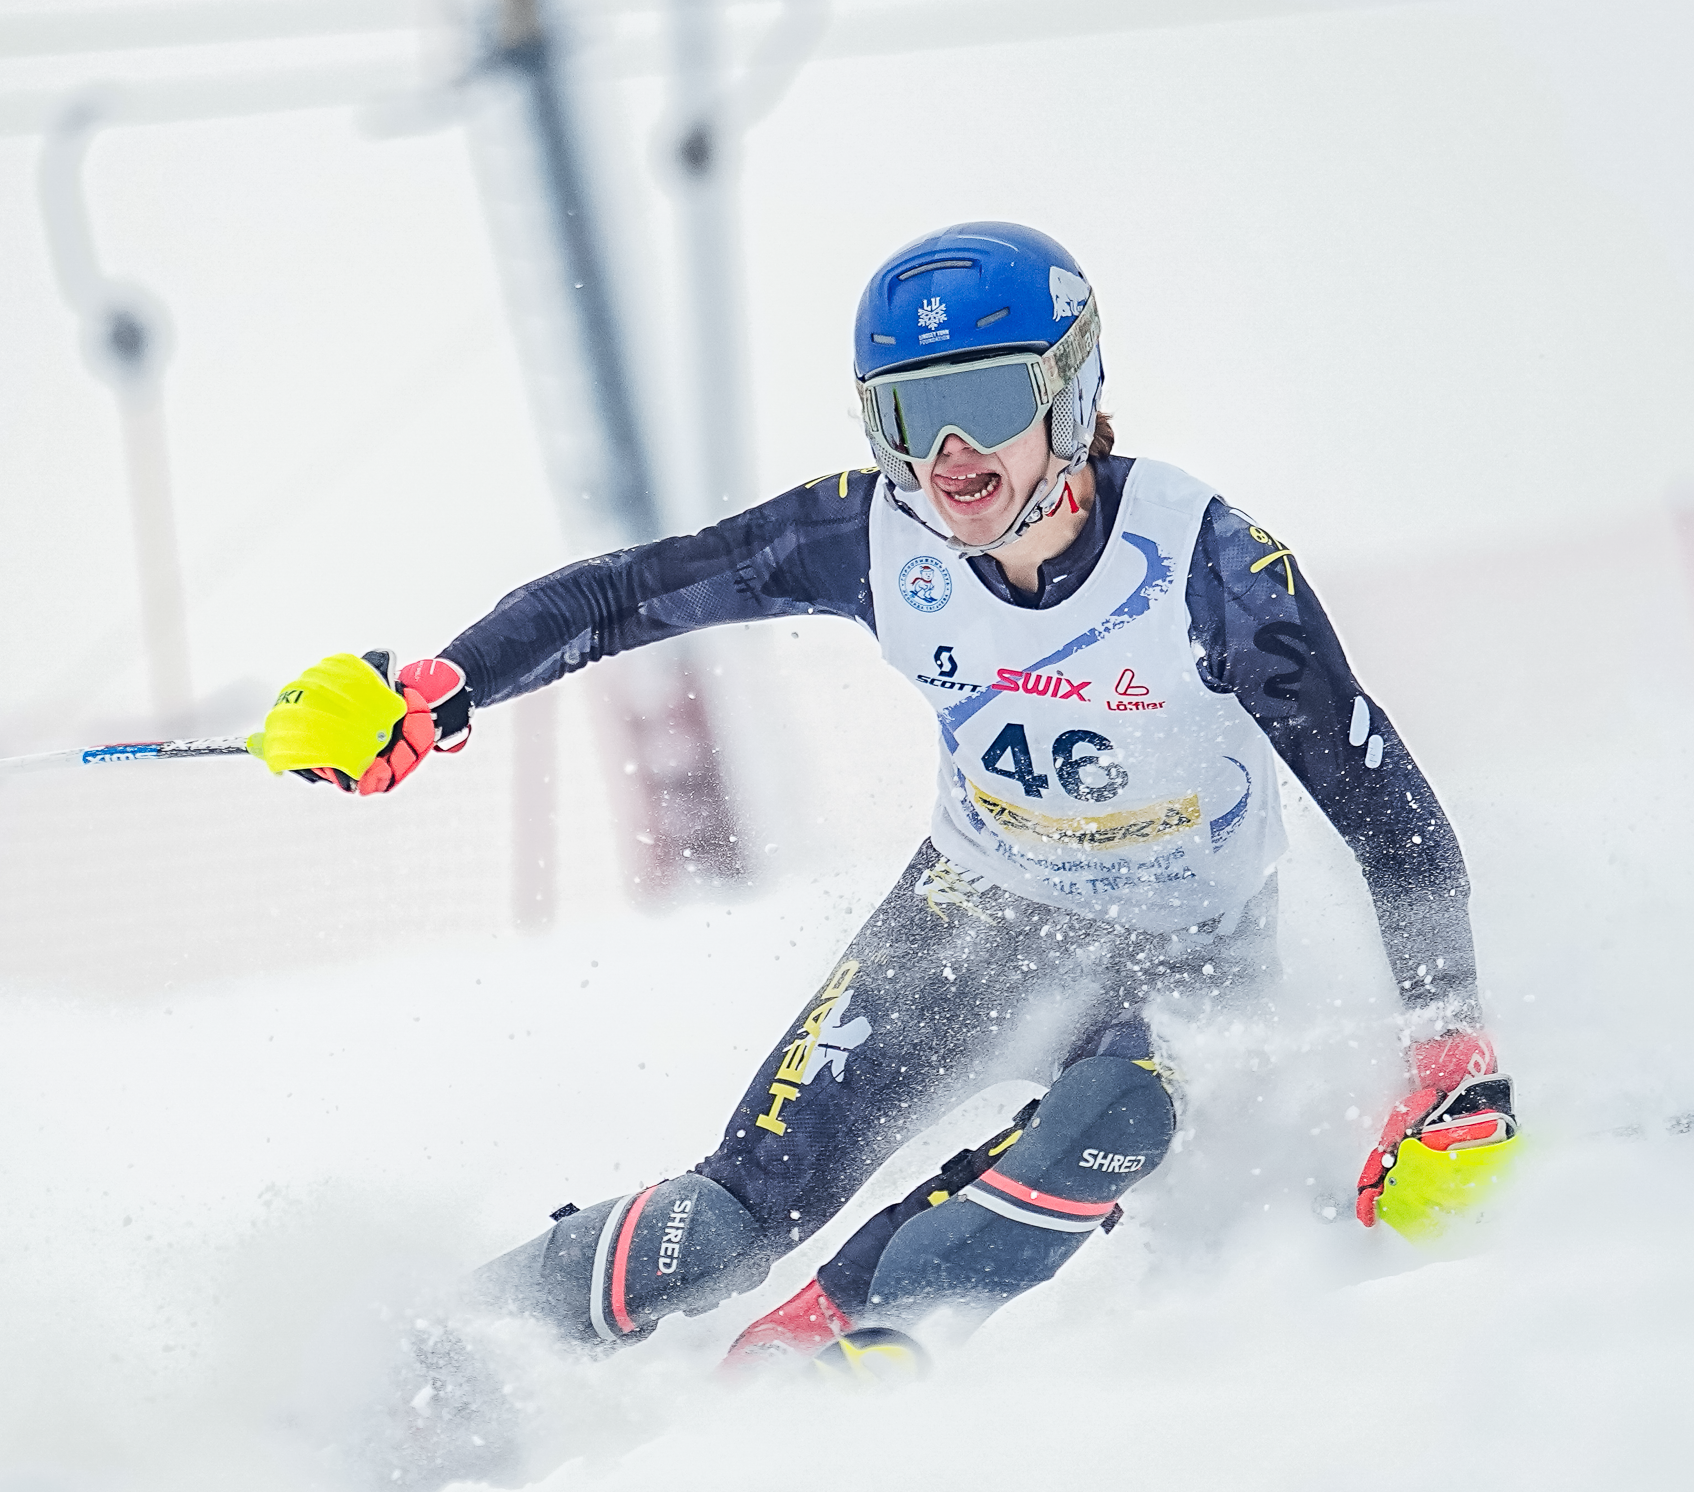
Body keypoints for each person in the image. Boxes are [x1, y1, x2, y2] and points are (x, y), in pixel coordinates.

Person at [251, 222, 1519, 1368]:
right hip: (971, 913)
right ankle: (419, 1364)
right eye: (910, 416)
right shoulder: (873, 537)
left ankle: (825, 1355)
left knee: (1110, 1113)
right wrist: (441, 685)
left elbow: (1385, 811)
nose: (950, 454)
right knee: (722, 1222)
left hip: (1187, 951)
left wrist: (1449, 1045)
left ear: (1070, 393)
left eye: (981, 401)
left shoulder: (1208, 566)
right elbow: (626, 592)